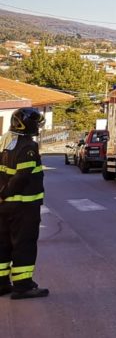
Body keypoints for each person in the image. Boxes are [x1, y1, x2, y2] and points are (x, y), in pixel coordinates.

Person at [0, 108, 48, 299]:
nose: (38, 126)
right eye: (36, 123)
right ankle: (23, 286)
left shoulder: (7, 144)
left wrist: (2, 196)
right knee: (23, 244)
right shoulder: (28, 147)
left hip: (4, 207)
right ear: (28, 124)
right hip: (24, 207)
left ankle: (2, 283)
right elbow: (22, 177)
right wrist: (5, 193)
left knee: (3, 244)